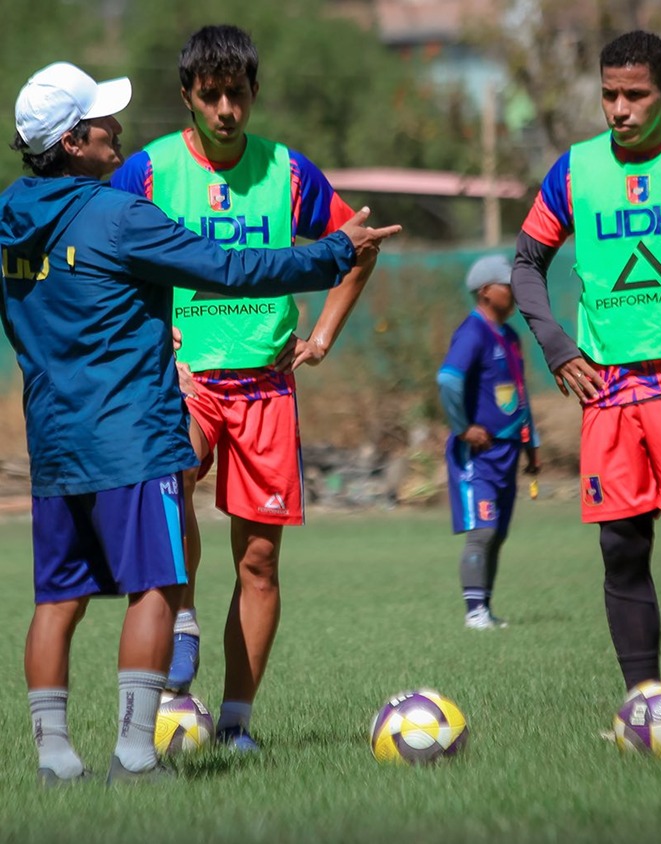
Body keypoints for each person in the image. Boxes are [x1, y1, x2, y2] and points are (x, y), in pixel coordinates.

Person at [0, 60, 399, 786]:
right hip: (135, 436)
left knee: (58, 600)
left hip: (55, 441)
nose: (115, 128)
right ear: (70, 142)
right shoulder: (119, 215)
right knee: (157, 587)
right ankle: (133, 755)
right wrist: (336, 252)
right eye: (100, 123)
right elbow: (229, 268)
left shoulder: (8, 222)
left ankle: (54, 758)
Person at [111, 24, 385, 751]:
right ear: (187, 100)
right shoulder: (147, 171)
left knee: (259, 561)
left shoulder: (289, 173)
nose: (227, 109)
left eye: (237, 94)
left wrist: (322, 333)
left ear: (254, 94)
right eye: (211, 96)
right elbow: (102, 248)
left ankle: (236, 724)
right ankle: (185, 615)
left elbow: (357, 244)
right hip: (185, 378)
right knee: (173, 478)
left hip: (266, 388)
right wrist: (147, 330)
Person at [511, 30, 661, 692]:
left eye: (634, 95)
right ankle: (643, 703)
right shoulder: (574, 170)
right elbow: (525, 264)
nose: (618, 109)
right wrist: (556, 346)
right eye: (608, 95)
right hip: (608, 391)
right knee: (620, 549)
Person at [437, 254, 540, 630]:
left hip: (509, 450)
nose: (515, 293)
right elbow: (448, 380)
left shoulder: (510, 336)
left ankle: (486, 608)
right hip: (478, 453)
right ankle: (474, 613)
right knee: (482, 531)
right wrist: (463, 427)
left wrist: (532, 443)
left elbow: (519, 394)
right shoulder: (473, 332)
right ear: (485, 291)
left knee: (498, 534)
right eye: (508, 286)